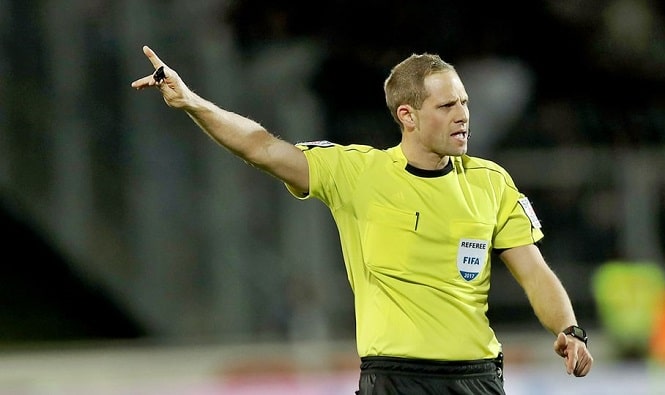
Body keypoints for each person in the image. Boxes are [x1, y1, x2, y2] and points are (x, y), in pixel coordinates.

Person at [132, 45, 593, 394]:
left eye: (464, 102)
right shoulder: (357, 173)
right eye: (446, 106)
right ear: (408, 116)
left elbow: (534, 272)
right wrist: (193, 102)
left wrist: (568, 330)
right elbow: (262, 147)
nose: (463, 116)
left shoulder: (491, 182)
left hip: (477, 379)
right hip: (394, 379)